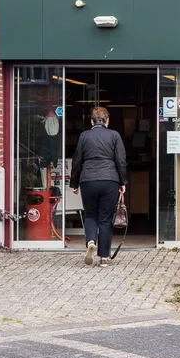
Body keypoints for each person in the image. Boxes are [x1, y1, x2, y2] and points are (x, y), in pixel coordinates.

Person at [70, 107, 127, 267]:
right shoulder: (114, 135)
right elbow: (121, 161)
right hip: (109, 180)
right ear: (107, 121)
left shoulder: (84, 136)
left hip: (88, 180)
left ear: (91, 121)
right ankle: (103, 257)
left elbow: (77, 161)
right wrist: (122, 182)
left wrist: (74, 183)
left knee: (90, 215)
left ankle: (90, 241)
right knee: (105, 219)